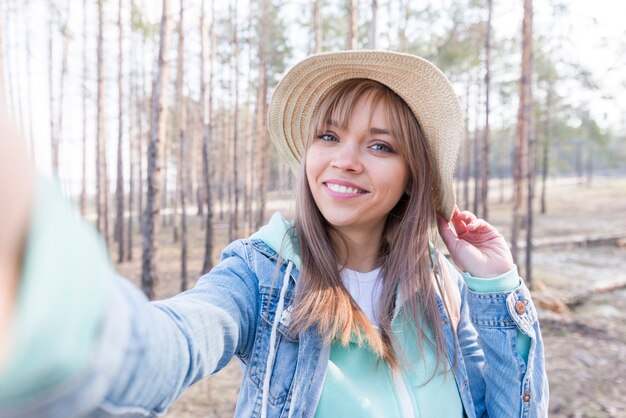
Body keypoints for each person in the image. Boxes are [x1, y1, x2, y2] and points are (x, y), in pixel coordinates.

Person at [0, 50, 548, 418]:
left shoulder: (440, 286)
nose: (345, 161)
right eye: (328, 135)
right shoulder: (263, 276)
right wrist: (44, 311)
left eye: (380, 145)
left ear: (413, 177)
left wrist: (497, 288)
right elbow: (175, 341)